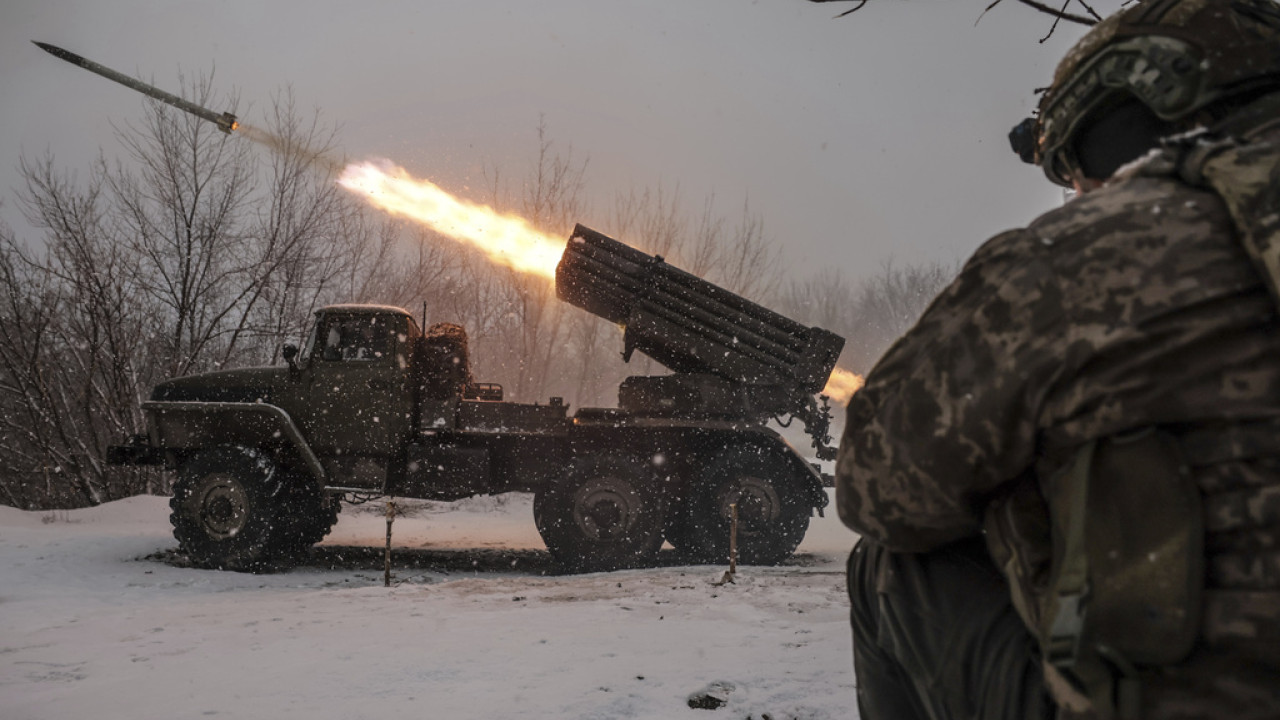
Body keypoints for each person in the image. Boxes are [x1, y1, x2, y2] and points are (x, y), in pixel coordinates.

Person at [836, 1, 1280, 718]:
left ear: (1123, 126)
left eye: (1073, 170)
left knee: (891, 567)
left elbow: (876, 490)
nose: (1076, 193)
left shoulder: (1079, 259)